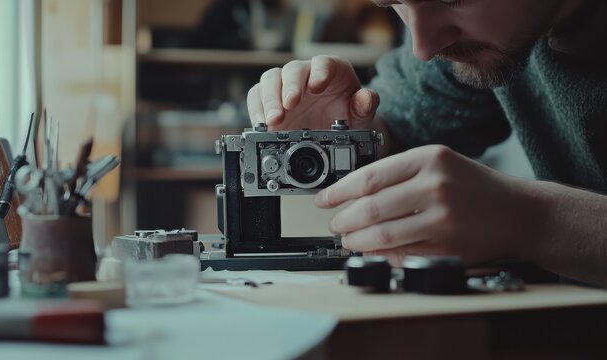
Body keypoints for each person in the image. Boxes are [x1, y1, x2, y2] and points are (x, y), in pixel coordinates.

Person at [247, 0, 607, 285]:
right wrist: (343, 136)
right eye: (392, 3)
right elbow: (402, 122)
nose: (423, 47)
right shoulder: (473, 33)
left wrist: (532, 221)